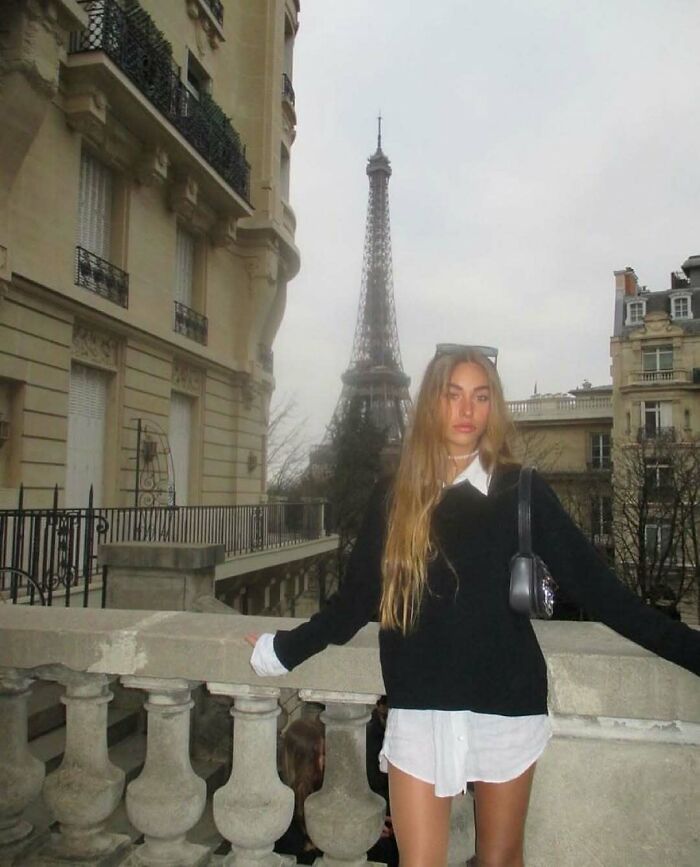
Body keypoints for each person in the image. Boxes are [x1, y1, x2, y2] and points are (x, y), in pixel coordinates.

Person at [248, 345, 700, 867]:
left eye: (480, 397)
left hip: (505, 705)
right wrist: (281, 650)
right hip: (420, 708)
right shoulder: (395, 496)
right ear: (431, 406)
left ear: (493, 407)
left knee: (500, 861)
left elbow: (604, 594)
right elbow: (352, 604)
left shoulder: (521, 491)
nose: (467, 411)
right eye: (453, 395)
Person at [274, 718, 324, 865]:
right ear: (307, 759)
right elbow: (295, 852)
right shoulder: (285, 800)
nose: (324, 760)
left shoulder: (317, 782)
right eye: (321, 754)